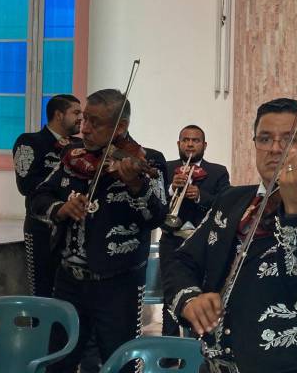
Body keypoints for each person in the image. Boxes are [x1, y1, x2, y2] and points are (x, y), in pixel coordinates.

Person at [163, 98, 297, 373]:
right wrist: (190, 299)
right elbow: (181, 260)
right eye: (265, 138)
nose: (276, 149)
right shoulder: (231, 200)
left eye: (290, 140)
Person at [31, 89, 167, 372]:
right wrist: (60, 209)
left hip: (117, 284)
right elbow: (39, 198)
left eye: (96, 122)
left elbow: (156, 216)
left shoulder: (147, 161)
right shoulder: (72, 156)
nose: (86, 128)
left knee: (119, 361)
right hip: (69, 280)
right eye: (84, 120)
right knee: (59, 360)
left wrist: (135, 187)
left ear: (120, 127)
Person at [161, 124, 230, 338]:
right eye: (186, 140)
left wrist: (200, 195)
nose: (190, 144)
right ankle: (170, 353)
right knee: (171, 296)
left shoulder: (218, 172)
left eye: (196, 140)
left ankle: (199, 346)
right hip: (172, 240)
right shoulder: (166, 168)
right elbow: (155, 202)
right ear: (179, 144)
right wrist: (172, 188)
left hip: (203, 244)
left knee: (200, 295)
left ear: (204, 145)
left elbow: (225, 204)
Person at [12, 94, 82, 297]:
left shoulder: (80, 146)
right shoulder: (29, 142)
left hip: (74, 232)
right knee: (42, 292)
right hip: (43, 229)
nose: (81, 118)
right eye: (76, 112)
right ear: (59, 115)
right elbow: (26, 185)